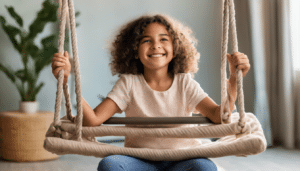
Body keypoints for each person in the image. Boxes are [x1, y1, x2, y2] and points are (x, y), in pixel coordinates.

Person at [52, 14, 250, 171]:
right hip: (139, 161)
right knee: (110, 165)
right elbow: (94, 119)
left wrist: (233, 79)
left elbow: (219, 116)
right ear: (135, 51)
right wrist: (67, 82)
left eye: (164, 39)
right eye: (147, 40)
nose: (156, 45)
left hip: (182, 159)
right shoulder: (129, 83)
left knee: (204, 167)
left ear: (175, 48)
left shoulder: (184, 83)